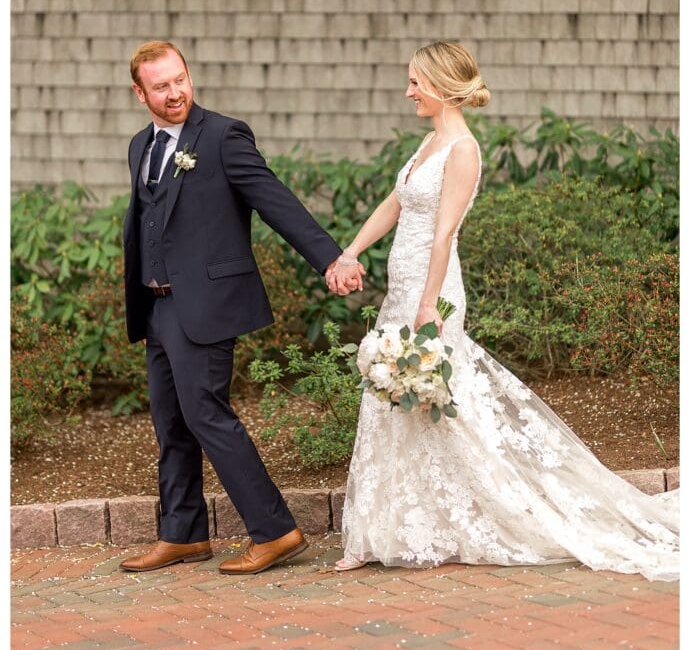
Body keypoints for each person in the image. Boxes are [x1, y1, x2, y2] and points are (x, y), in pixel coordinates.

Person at [327, 41, 679, 582]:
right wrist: (349, 250)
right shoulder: (429, 141)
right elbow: (395, 203)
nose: (408, 92)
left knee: (437, 398)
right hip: (400, 289)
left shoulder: (462, 149)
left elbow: (444, 233)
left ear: (441, 86)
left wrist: (428, 304)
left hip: (434, 291)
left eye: (415, 83)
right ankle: (384, 530)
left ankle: (471, 518)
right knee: (392, 398)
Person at [120, 40, 363, 575]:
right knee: (171, 423)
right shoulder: (141, 146)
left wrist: (330, 258)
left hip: (206, 304)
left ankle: (276, 530)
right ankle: (182, 534)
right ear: (140, 93)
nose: (175, 91)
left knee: (207, 414)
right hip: (157, 306)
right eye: (161, 86)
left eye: (180, 78)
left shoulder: (223, 136)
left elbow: (275, 200)